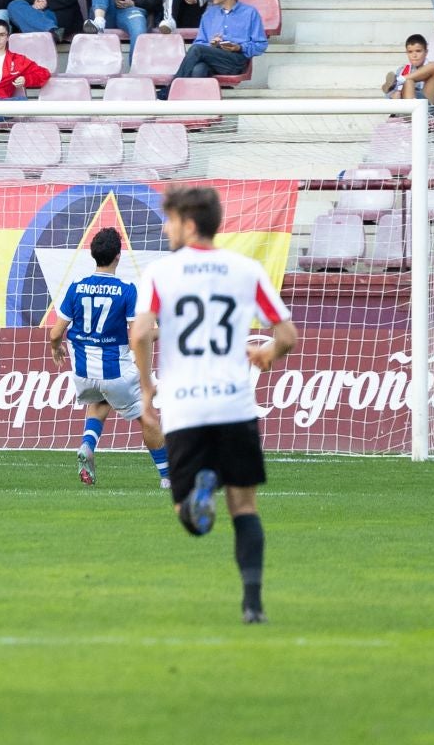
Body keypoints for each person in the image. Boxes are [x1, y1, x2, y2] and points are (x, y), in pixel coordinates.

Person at [132, 185, 296, 624]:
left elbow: (141, 332)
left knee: (188, 517)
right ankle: (253, 603)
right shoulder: (246, 270)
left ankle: (197, 494)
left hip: (185, 408)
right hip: (234, 406)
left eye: (169, 220)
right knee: (244, 508)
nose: (165, 228)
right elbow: (287, 336)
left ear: (188, 225)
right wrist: (267, 355)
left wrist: (147, 389)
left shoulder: (160, 273)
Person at [162, 0, 264, 92]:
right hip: (213, 57)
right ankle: (196, 109)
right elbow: (199, 41)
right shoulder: (209, 14)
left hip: (236, 61)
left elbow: (260, 45)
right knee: (198, 70)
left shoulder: (250, 13)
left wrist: (239, 47)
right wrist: (211, 45)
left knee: (197, 49)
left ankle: (170, 90)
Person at [382, 34, 434, 109]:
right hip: (409, 105)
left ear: (426, 52)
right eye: (410, 52)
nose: (414, 55)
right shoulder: (402, 70)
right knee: (408, 81)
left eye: (418, 51)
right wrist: (393, 95)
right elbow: (388, 94)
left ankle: (400, 79)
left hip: (428, 104)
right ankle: (402, 81)